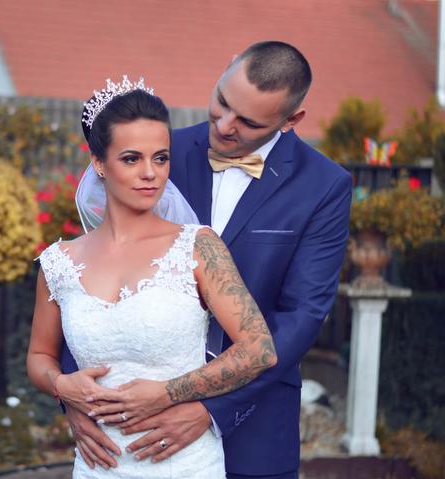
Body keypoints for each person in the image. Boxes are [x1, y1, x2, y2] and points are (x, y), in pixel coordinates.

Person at [61, 41, 352, 479]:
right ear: (226, 68)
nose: (225, 124)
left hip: (254, 430)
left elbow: (302, 314)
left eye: (248, 121)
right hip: (123, 432)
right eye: (222, 102)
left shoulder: (324, 186)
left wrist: (209, 408)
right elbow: (88, 275)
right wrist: (74, 396)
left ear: (291, 120)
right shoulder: (155, 153)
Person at [27, 78, 278, 478]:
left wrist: (167, 392)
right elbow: (39, 357)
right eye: (131, 159)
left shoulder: (198, 247)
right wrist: (62, 386)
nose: (150, 173)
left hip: (183, 465)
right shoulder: (59, 263)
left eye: (160, 158)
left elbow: (259, 350)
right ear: (99, 163)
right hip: (97, 467)